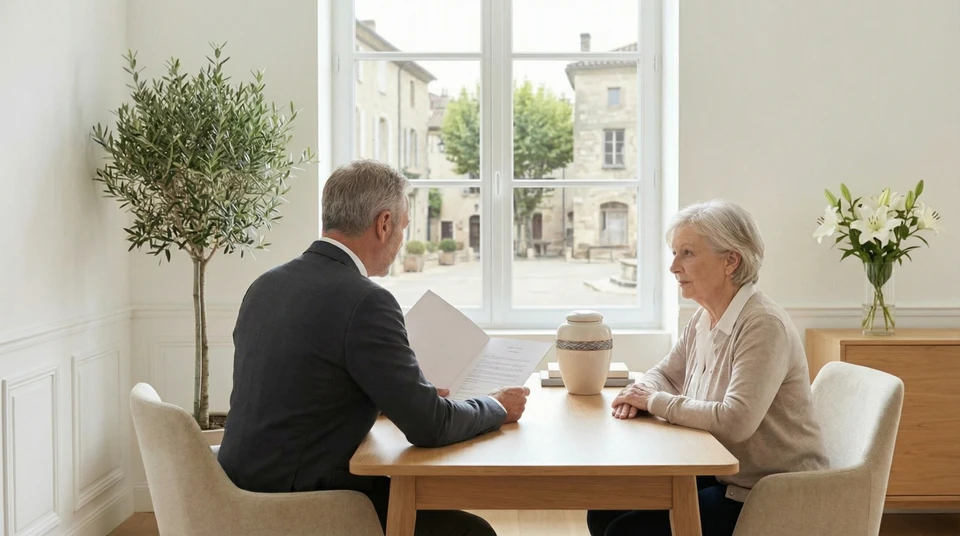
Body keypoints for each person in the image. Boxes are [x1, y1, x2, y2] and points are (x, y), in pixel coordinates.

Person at [218, 159, 529, 536]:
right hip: (301, 505)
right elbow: (429, 427)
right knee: (473, 532)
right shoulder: (366, 301)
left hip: (239, 492)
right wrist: (497, 405)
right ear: (384, 224)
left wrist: (394, 393)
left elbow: (300, 382)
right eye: (403, 226)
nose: (400, 240)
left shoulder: (265, 285)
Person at [587, 200, 829, 536]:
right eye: (674, 253)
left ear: (731, 260)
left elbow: (735, 421)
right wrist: (637, 395)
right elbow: (666, 374)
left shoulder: (763, 325)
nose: (673, 267)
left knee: (628, 530)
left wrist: (653, 401)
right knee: (602, 510)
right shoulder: (704, 317)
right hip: (718, 471)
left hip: (766, 492)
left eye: (687, 253)